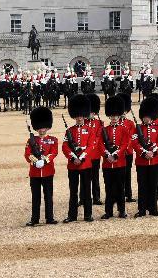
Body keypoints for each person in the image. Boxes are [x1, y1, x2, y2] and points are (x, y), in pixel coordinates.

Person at [62, 93, 94, 223]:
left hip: (85, 164)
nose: (79, 118)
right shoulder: (69, 130)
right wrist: (73, 157)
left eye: (81, 115)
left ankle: (88, 214)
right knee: (73, 191)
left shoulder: (89, 129)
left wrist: (82, 156)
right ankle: (72, 215)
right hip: (73, 164)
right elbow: (65, 146)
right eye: (77, 115)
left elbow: (91, 145)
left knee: (87, 190)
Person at [25, 106, 58, 226]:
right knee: (36, 197)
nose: (41, 129)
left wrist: (45, 161)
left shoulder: (53, 140)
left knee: (48, 196)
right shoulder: (31, 140)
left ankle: (50, 218)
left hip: (48, 171)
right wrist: (35, 162)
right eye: (39, 127)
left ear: (47, 127)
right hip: (35, 172)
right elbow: (27, 154)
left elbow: (54, 152)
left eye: (43, 127)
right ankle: (35, 219)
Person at [133, 96, 158, 217]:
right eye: (144, 117)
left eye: (148, 116)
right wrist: (144, 152)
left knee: (153, 185)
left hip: (155, 161)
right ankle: (141, 209)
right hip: (142, 161)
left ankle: (153, 208)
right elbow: (135, 143)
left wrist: (153, 152)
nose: (146, 119)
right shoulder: (138, 129)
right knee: (142, 186)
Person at [100, 95, 129, 219]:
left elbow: (125, 144)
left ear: (119, 116)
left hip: (119, 162)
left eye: (116, 116)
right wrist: (107, 155)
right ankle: (108, 211)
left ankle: (121, 210)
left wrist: (116, 154)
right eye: (112, 116)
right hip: (107, 163)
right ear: (109, 116)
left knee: (120, 188)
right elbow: (100, 144)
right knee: (109, 188)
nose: (114, 118)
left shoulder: (124, 129)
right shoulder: (104, 130)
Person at [85, 94, 104, 206]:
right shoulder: (83, 123)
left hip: (95, 154)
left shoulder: (99, 123)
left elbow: (99, 137)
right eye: (89, 112)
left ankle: (96, 197)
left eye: (92, 112)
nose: (90, 114)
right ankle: (83, 197)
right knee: (84, 178)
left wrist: (91, 145)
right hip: (85, 155)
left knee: (95, 177)